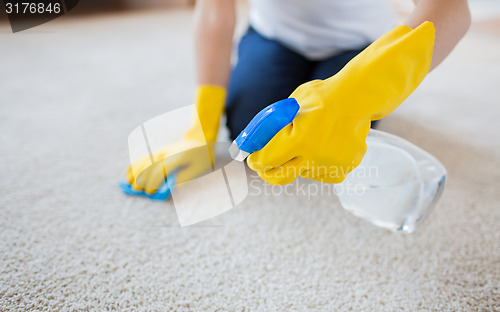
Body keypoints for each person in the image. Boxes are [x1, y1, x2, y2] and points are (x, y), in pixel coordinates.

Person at [126, 0, 470, 194]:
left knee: (330, 129)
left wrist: (356, 94)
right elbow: (214, 8)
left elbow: (451, 8)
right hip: (275, 37)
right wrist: (201, 126)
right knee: (252, 123)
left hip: (356, 46)